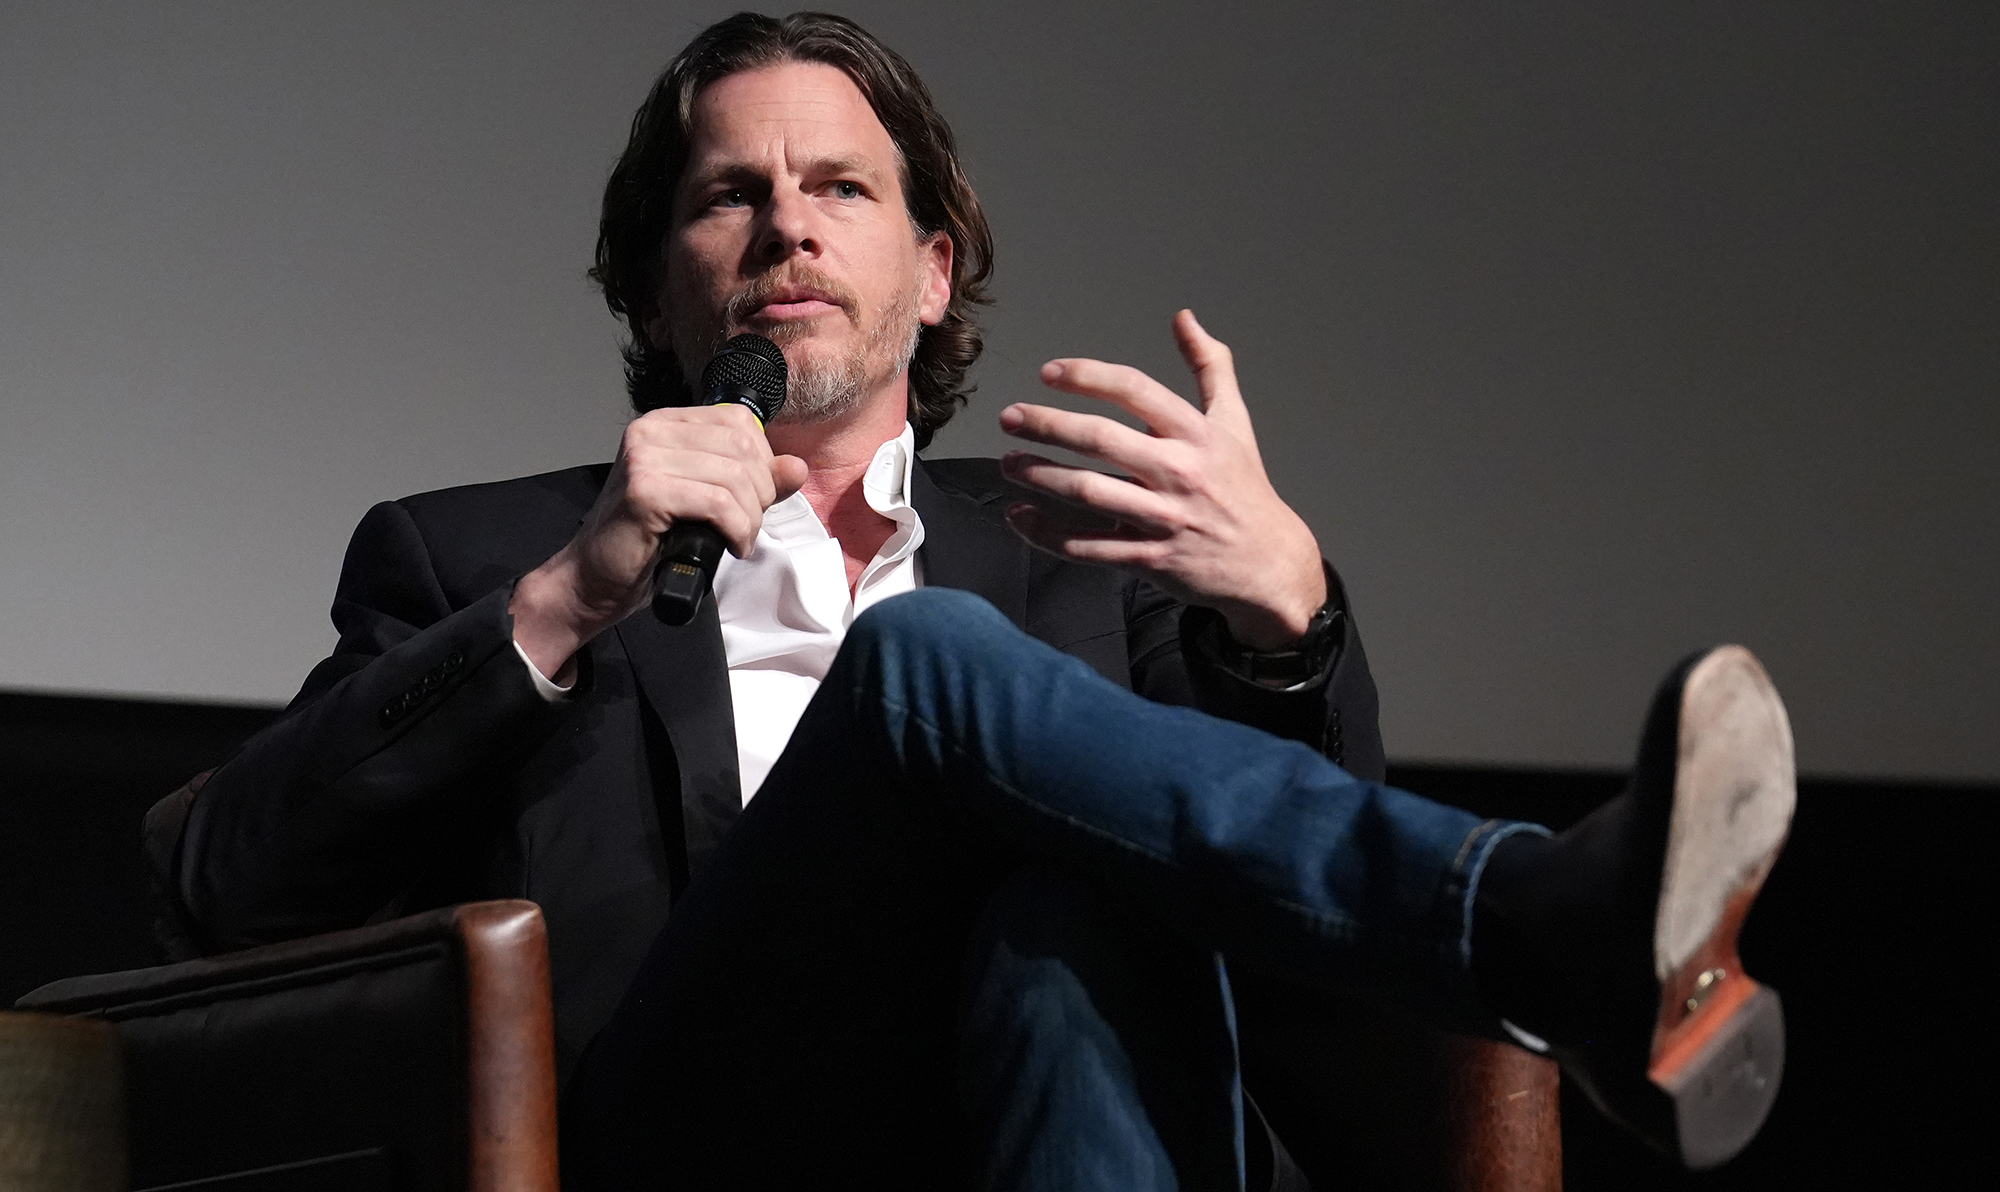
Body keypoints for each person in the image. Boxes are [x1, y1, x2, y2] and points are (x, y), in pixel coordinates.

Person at [166, 11, 1793, 1189]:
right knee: (931, 658)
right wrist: (556, 609)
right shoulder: (477, 557)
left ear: (933, 273)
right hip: (694, 1128)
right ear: (656, 288)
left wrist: (1285, 615)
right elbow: (230, 879)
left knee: (1066, 901)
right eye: (728, 196)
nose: (787, 221)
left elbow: (1299, 902)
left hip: (1057, 1117)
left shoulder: (1093, 556)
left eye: (844, 190)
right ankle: (1532, 928)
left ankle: (1536, 932)